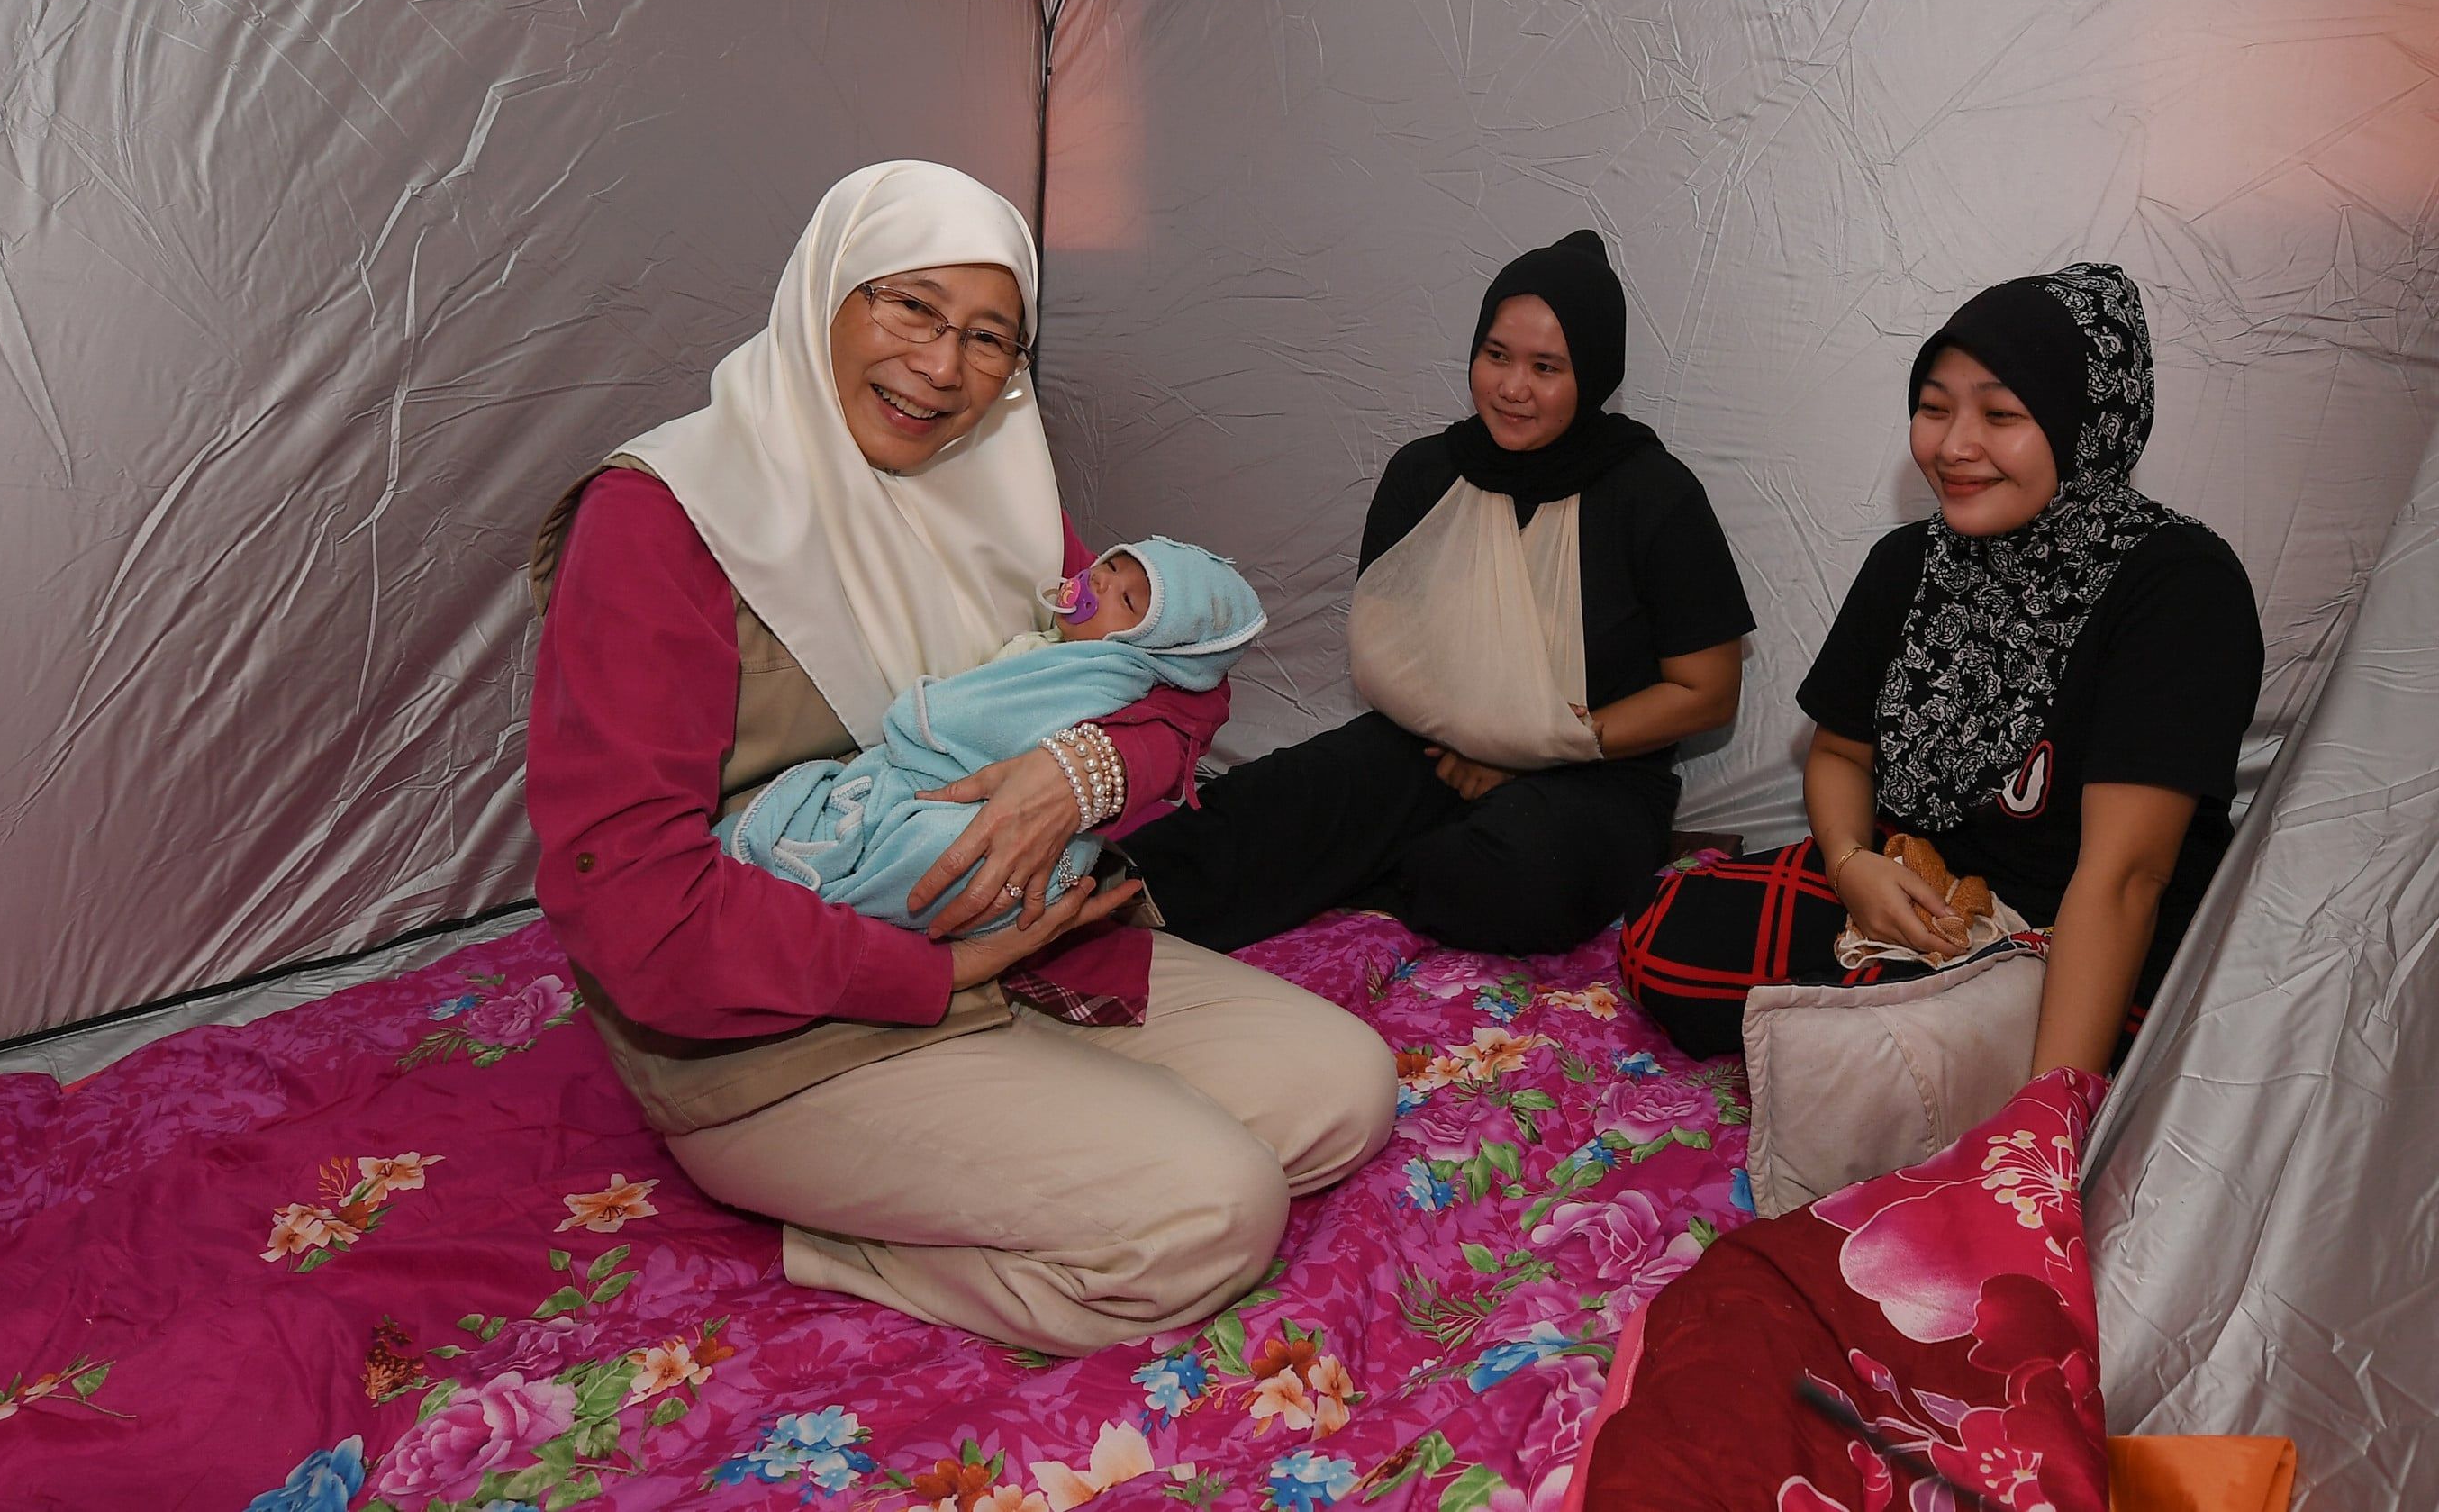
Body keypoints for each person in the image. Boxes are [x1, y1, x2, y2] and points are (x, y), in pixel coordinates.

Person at [524, 161, 1392, 1356]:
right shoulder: (662, 518)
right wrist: (937, 973)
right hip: (775, 1020)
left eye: (991, 337)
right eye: (911, 307)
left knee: (1345, 1091)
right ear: (827, 292)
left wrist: (1080, 773)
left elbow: (1178, 674)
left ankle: (1040, 1104)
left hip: (1017, 946)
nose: (944, 368)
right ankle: (837, 1245)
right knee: (1214, 1213)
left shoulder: (998, 491)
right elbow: (632, 908)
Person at [1618, 263, 2263, 1071]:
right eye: (1933, 407)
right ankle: (1885, 1036)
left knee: (1892, 1056)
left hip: (2076, 933)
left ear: (2084, 424)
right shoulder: (1908, 563)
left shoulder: (2177, 585)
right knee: (1666, 941)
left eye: (2000, 413)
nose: (1953, 445)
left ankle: (1963, 1060)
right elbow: (1839, 753)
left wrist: (2042, 1123)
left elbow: (2125, 879)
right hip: (1920, 893)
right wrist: (1853, 868)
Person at [1127, 229, 1755, 955]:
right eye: (1497, 356)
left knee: (1516, 875)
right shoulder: (1426, 476)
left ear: (1594, 373)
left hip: (1600, 775)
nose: (1512, 387)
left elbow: (1707, 692)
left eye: (1546, 366)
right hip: (1428, 751)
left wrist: (1531, 747)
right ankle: (1089, 907)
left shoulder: (1654, 495)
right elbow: (1396, 651)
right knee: (1272, 799)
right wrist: (1474, 742)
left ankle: (1384, 867)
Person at [720, 538, 1266, 936]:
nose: (1100, 581)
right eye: (1111, 565)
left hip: (981, 804)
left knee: (938, 851)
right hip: (952, 793)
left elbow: (976, 720)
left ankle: (830, 898)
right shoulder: (1065, 641)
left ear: (1153, 646)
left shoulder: (1100, 667)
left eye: (1128, 601)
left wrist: (925, 715)